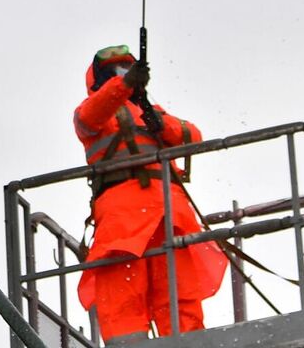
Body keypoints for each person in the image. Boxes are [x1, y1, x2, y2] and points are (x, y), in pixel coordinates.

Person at [73, 45, 227, 342]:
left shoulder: (151, 112)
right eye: (116, 71)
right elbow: (91, 116)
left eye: (126, 70)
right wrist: (125, 85)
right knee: (123, 299)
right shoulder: (92, 110)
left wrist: (161, 123)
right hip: (125, 223)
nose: (121, 76)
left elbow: (192, 136)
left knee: (179, 297)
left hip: (168, 219)